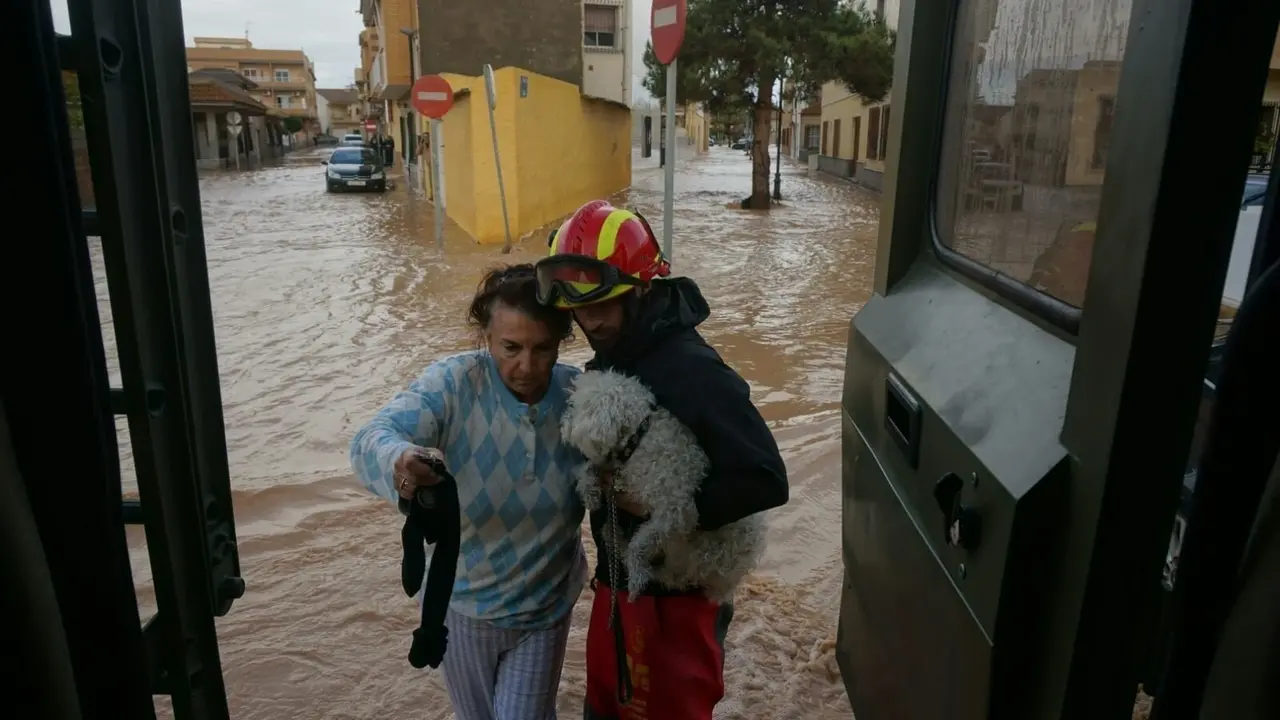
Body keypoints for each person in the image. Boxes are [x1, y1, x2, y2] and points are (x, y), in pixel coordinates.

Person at [534, 200, 789, 720]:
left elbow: (766, 478)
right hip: (620, 586)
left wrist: (658, 507)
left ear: (642, 289)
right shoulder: (617, 350)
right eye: (579, 307)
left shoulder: (691, 369)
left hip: (679, 603)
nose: (591, 319)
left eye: (605, 302)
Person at [349, 264, 587, 720]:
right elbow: (369, 438)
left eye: (543, 349)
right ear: (487, 338)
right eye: (511, 348)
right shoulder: (454, 385)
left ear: (561, 342)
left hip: (545, 608)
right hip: (464, 608)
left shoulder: (581, 396)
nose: (526, 367)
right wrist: (400, 460)